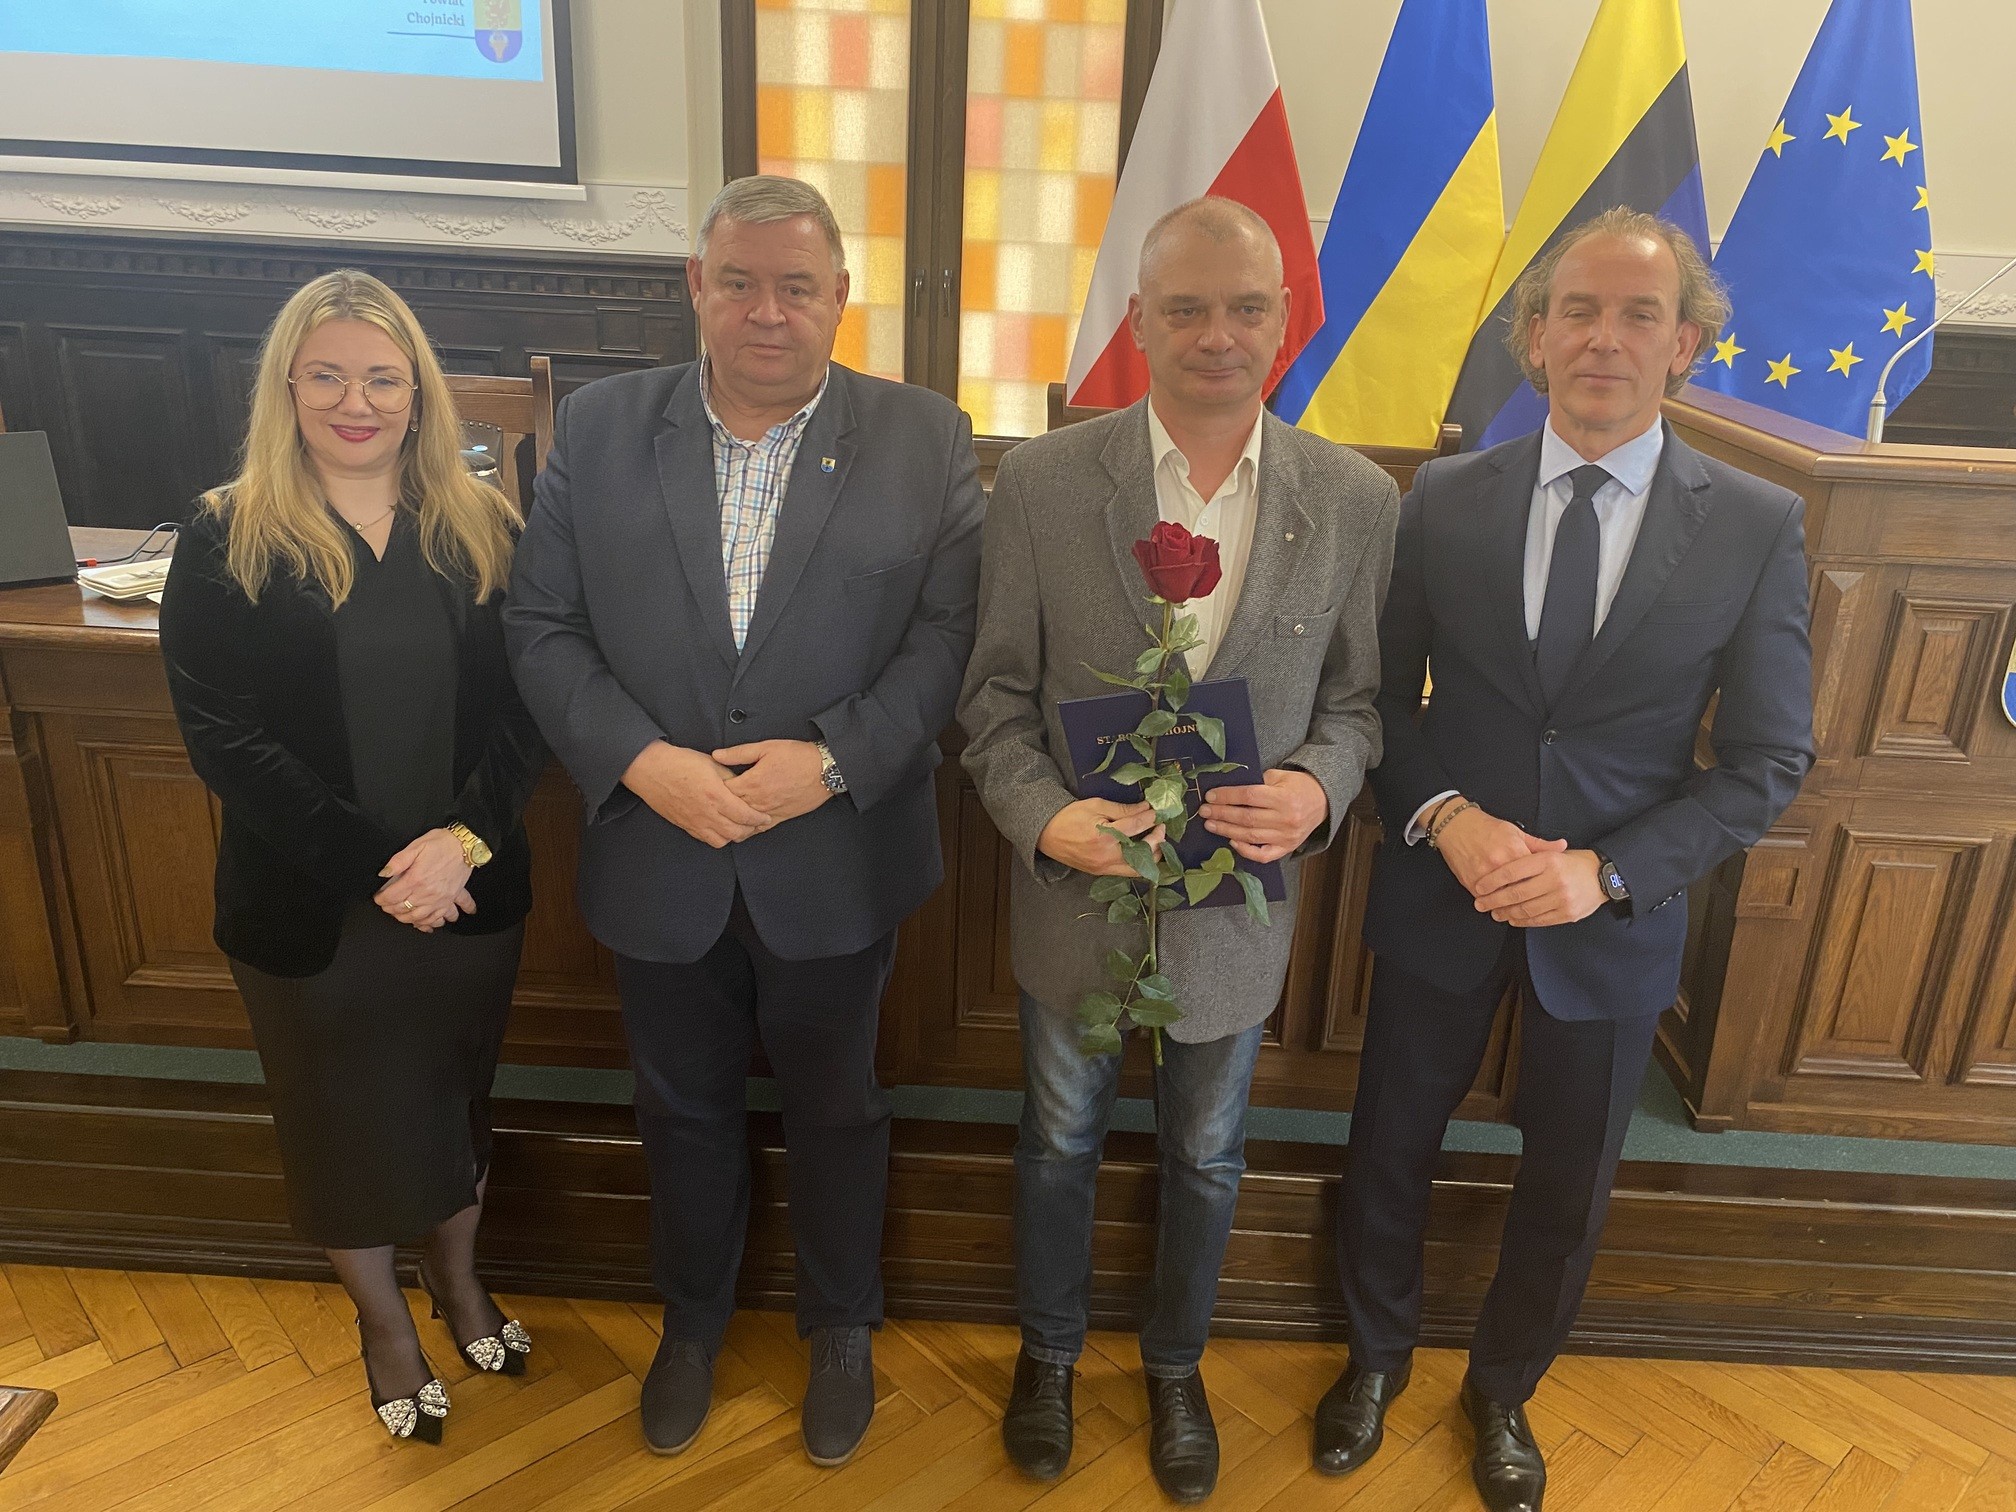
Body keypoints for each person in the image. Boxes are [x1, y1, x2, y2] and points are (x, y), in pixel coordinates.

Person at [1317, 208, 1815, 1512]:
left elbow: (1766, 759)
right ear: (1534, 337)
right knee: (1389, 1145)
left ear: (1686, 345)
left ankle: (1503, 1389)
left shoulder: (1754, 524)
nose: (1605, 338)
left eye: (1640, 314)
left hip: (1611, 922)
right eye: (1577, 310)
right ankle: (1373, 1360)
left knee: (1568, 1181)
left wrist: (1606, 873)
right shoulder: (1445, 500)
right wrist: (1447, 819)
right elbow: (1379, 703)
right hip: (1444, 892)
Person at [503, 174, 983, 1469]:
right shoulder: (600, 428)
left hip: (836, 852)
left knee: (839, 1106)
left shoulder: (925, 437)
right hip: (657, 847)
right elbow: (540, 625)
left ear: (840, 297)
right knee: (681, 1109)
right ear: (696, 288)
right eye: (741, 283)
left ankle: (841, 1325)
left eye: (797, 287)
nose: (769, 311)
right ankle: (693, 1324)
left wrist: (831, 764)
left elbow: (947, 641)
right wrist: (641, 762)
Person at [959, 197, 1398, 1506]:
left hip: (1235, 919)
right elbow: (992, 701)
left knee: (1208, 1155)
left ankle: (1175, 1366)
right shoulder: (1043, 484)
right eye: (1187, 308)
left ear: (1285, 320)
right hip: (1076, 902)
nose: (1219, 334)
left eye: (1246, 307)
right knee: (1057, 1140)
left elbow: (1361, 707)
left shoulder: (1356, 501)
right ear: (1139, 322)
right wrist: (1045, 815)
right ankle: (1047, 1356)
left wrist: (1316, 789)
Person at [158, 270, 548, 1444]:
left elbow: (527, 711)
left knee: (454, 1110)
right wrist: (390, 869)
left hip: (468, 894)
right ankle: (385, 1328)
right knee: (341, 1126)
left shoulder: (484, 525)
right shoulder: (226, 533)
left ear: (418, 392)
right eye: (326, 375)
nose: (355, 401)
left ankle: (461, 1284)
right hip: (309, 908)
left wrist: (459, 846)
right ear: (287, 387)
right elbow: (224, 738)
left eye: (382, 377)